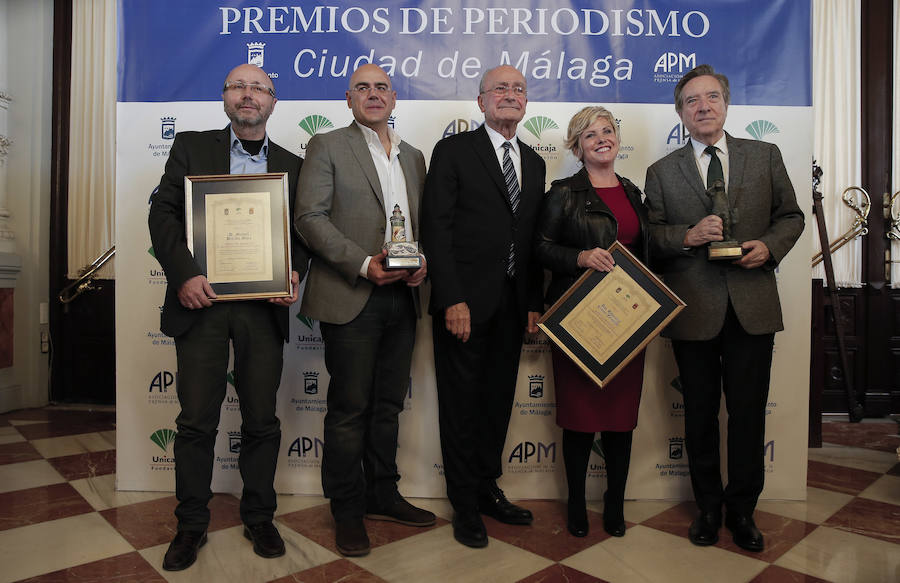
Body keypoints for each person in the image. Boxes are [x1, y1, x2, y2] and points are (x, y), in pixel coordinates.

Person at [148, 63, 303, 571]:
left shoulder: (292, 165)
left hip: (263, 310)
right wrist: (185, 274)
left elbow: (302, 235)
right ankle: (191, 524)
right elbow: (162, 214)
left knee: (261, 420)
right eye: (239, 86)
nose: (248, 95)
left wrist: (293, 275)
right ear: (225, 97)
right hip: (202, 306)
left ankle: (259, 515)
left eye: (259, 88)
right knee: (196, 422)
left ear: (273, 102)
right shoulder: (191, 147)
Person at [644, 64, 804, 552]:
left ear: (726, 104)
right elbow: (650, 236)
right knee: (698, 417)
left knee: (749, 414)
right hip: (692, 311)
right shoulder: (661, 171)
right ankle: (708, 509)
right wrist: (687, 235)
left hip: (752, 305)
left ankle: (743, 512)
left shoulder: (765, 155)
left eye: (711, 97)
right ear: (680, 112)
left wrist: (769, 248)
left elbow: (791, 216)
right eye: (692, 100)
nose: (703, 107)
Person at [293, 64, 434, 558]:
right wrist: (361, 263)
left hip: (403, 298)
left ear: (393, 97)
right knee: (349, 410)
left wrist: (421, 266)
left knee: (388, 406)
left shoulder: (414, 157)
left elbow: (420, 227)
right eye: (362, 88)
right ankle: (347, 509)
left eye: (381, 88)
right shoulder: (328, 145)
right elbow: (308, 218)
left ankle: (382, 493)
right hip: (351, 294)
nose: (373, 95)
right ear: (347, 99)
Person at [420, 65, 546, 548]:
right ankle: (464, 504)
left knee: (496, 403)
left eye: (518, 89)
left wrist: (534, 299)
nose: (510, 96)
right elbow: (437, 229)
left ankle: (488, 487)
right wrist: (451, 298)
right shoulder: (454, 152)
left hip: (514, 307)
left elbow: (531, 239)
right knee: (462, 406)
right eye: (500, 89)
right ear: (481, 102)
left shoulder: (533, 162)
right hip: (464, 307)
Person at [534, 106, 649, 538]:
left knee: (621, 419)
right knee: (579, 418)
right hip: (577, 322)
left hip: (629, 323)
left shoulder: (635, 192)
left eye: (607, 130)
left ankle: (614, 505)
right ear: (576, 147)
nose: (602, 138)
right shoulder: (563, 192)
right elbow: (540, 248)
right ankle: (577, 505)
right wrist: (579, 257)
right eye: (589, 135)